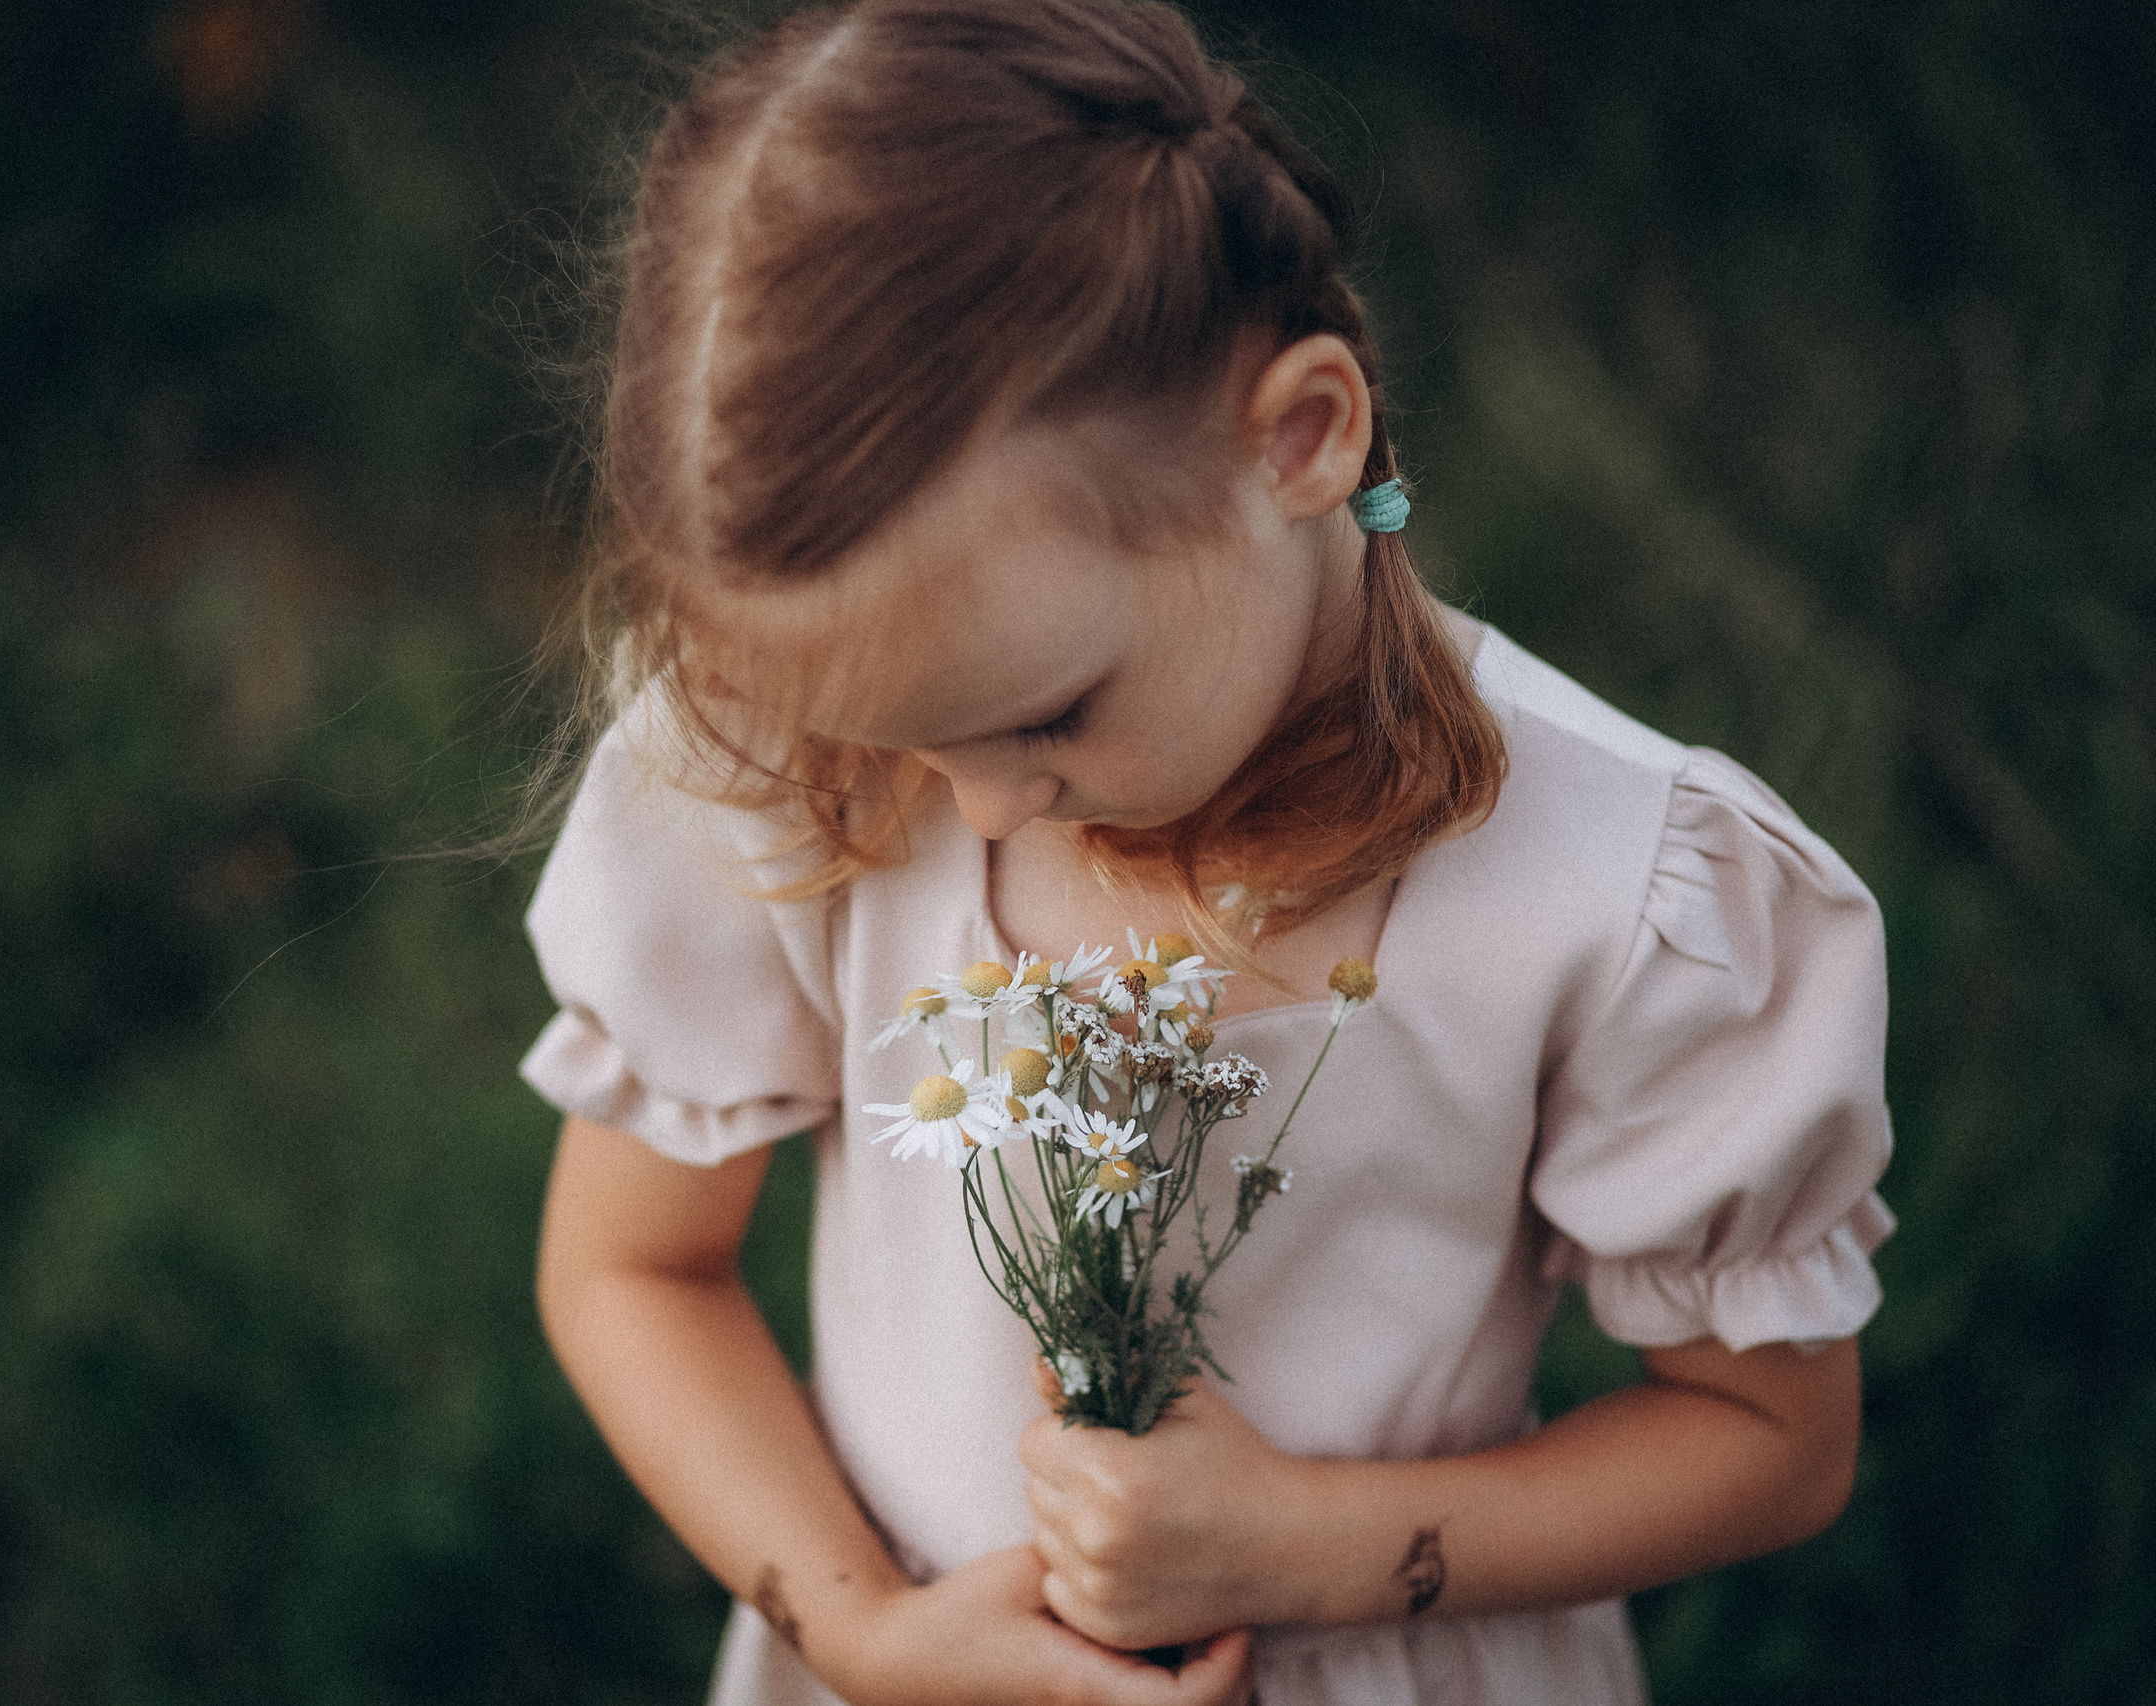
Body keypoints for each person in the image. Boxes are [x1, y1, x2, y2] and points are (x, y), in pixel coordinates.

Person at [522, 2, 1895, 1702]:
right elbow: (629, 1264)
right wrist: (868, 1630)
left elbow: (1773, 1438)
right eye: (908, 740)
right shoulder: (811, 768)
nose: (977, 809)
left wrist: (1299, 1545)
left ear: (1304, 437)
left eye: (1050, 716)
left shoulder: (1611, 893)